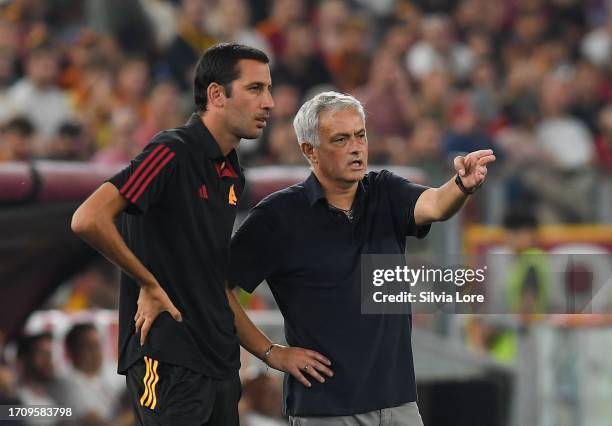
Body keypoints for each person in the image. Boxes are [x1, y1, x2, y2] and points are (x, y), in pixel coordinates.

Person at [71, 43, 317, 426]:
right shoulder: (171, 151)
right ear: (217, 94)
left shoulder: (232, 171)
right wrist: (148, 284)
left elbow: (215, 286)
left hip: (220, 365)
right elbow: (88, 218)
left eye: (269, 89)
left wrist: (271, 353)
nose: (269, 102)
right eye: (255, 89)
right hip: (167, 359)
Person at [228, 91, 495, 424]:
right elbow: (219, 289)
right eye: (340, 139)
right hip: (325, 410)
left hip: (399, 404)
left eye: (360, 135)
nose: (356, 147)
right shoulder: (277, 216)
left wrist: (461, 185)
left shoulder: (385, 190)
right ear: (309, 150)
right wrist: (271, 353)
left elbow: (436, 205)